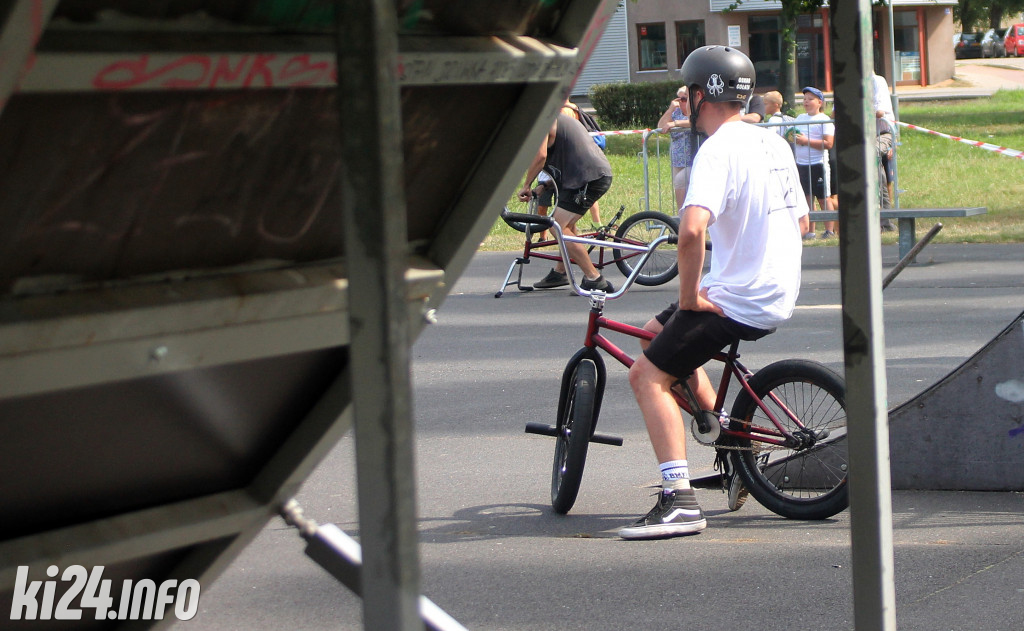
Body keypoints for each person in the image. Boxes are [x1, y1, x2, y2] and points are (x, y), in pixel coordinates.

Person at [619, 45, 809, 540]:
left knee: (645, 377)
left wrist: (689, 296)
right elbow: (803, 222)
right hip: (774, 289)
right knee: (650, 336)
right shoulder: (774, 143)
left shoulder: (717, 150)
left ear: (700, 95)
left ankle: (678, 499)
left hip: (738, 298)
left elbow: (690, 230)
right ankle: (723, 433)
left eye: (687, 99)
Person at [519, 112, 615, 292]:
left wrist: (526, 184)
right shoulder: (555, 118)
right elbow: (569, 157)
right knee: (567, 225)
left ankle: (594, 277)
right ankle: (561, 272)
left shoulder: (542, 120)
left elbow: (540, 157)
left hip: (588, 178)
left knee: (556, 225)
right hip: (588, 175)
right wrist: (545, 186)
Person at [793, 86, 835, 239]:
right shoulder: (800, 118)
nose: (806, 102)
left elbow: (828, 143)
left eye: (810, 99)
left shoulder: (824, 120)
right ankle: (810, 231)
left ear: (819, 102)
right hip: (801, 164)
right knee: (807, 198)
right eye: (804, 99)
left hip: (818, 164)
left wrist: (806, 141)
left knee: (824, 197)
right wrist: (792, 137)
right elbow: (791, 135)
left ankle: (829, 230)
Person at [561, 99, 603, 226]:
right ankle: (597, 224)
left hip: (573, 159)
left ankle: (571, 231)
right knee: (588, 194)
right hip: (585, 157)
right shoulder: (575, 108)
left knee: (569, 200)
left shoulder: (563, 112)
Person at [657, 86, 695, 211]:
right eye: (680, 99)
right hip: (678, 160)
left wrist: (675, 124)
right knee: (680, 188)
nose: (682, 102)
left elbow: (695, 122)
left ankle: (683, 217)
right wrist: (671, 108)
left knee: (684, 184)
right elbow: (660, 127)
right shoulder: (676, 113)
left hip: (692, 159)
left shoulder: (695, 111)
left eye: (685, 99)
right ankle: (683, 217)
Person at [872, 72, 897, 231]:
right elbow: (835, 113)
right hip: (867, 135)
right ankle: (885, 221)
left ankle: (885, 220)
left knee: (870, 154)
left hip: (883, 133)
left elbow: (880, 112)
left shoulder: (877, 81)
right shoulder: (852, 83)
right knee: (879, 177)